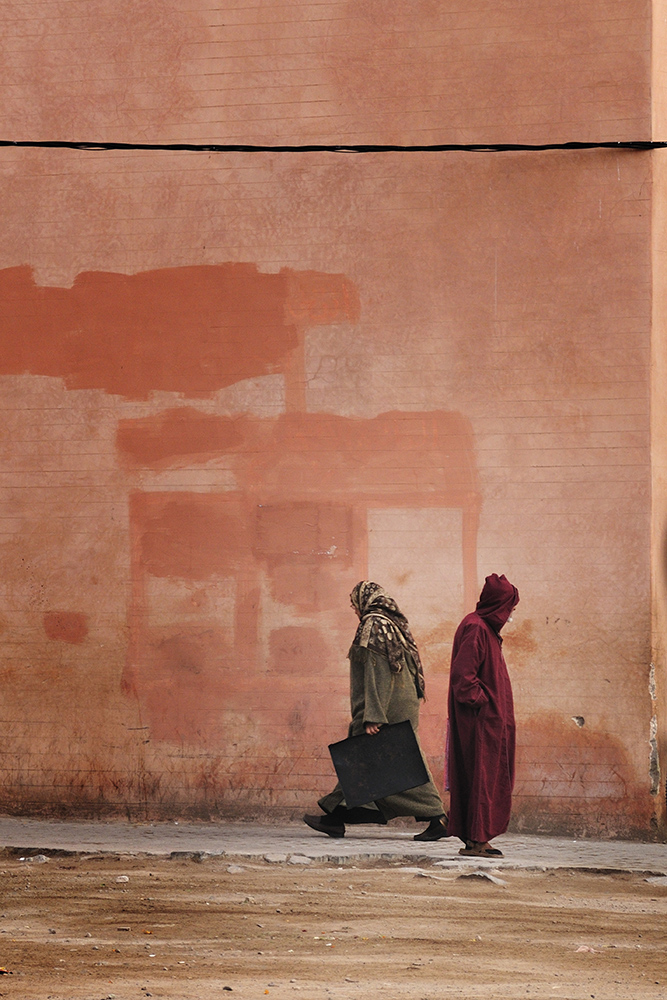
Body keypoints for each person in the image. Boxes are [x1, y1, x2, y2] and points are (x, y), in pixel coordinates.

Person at [303, 581, 448, 841]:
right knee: (367, 762)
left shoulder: (373, 624)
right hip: (401, 705)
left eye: (353, 603)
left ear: (364, 600)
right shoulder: (393, 624)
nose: (353, 608)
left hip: (386, 708)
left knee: (395, 762)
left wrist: (374, 715)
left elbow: (376, 670)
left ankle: (438, 817)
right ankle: (336, 817)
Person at [447, 573, 519, 858]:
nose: (510, 615)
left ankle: (478, 838)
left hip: (488, 721)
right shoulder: (476, 628)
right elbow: (464, 678)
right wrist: (485, 704)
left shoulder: (483, 627)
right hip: (479, 723)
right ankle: (476, 840)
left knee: (486, 779)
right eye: (509, 609)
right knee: (481, 778)